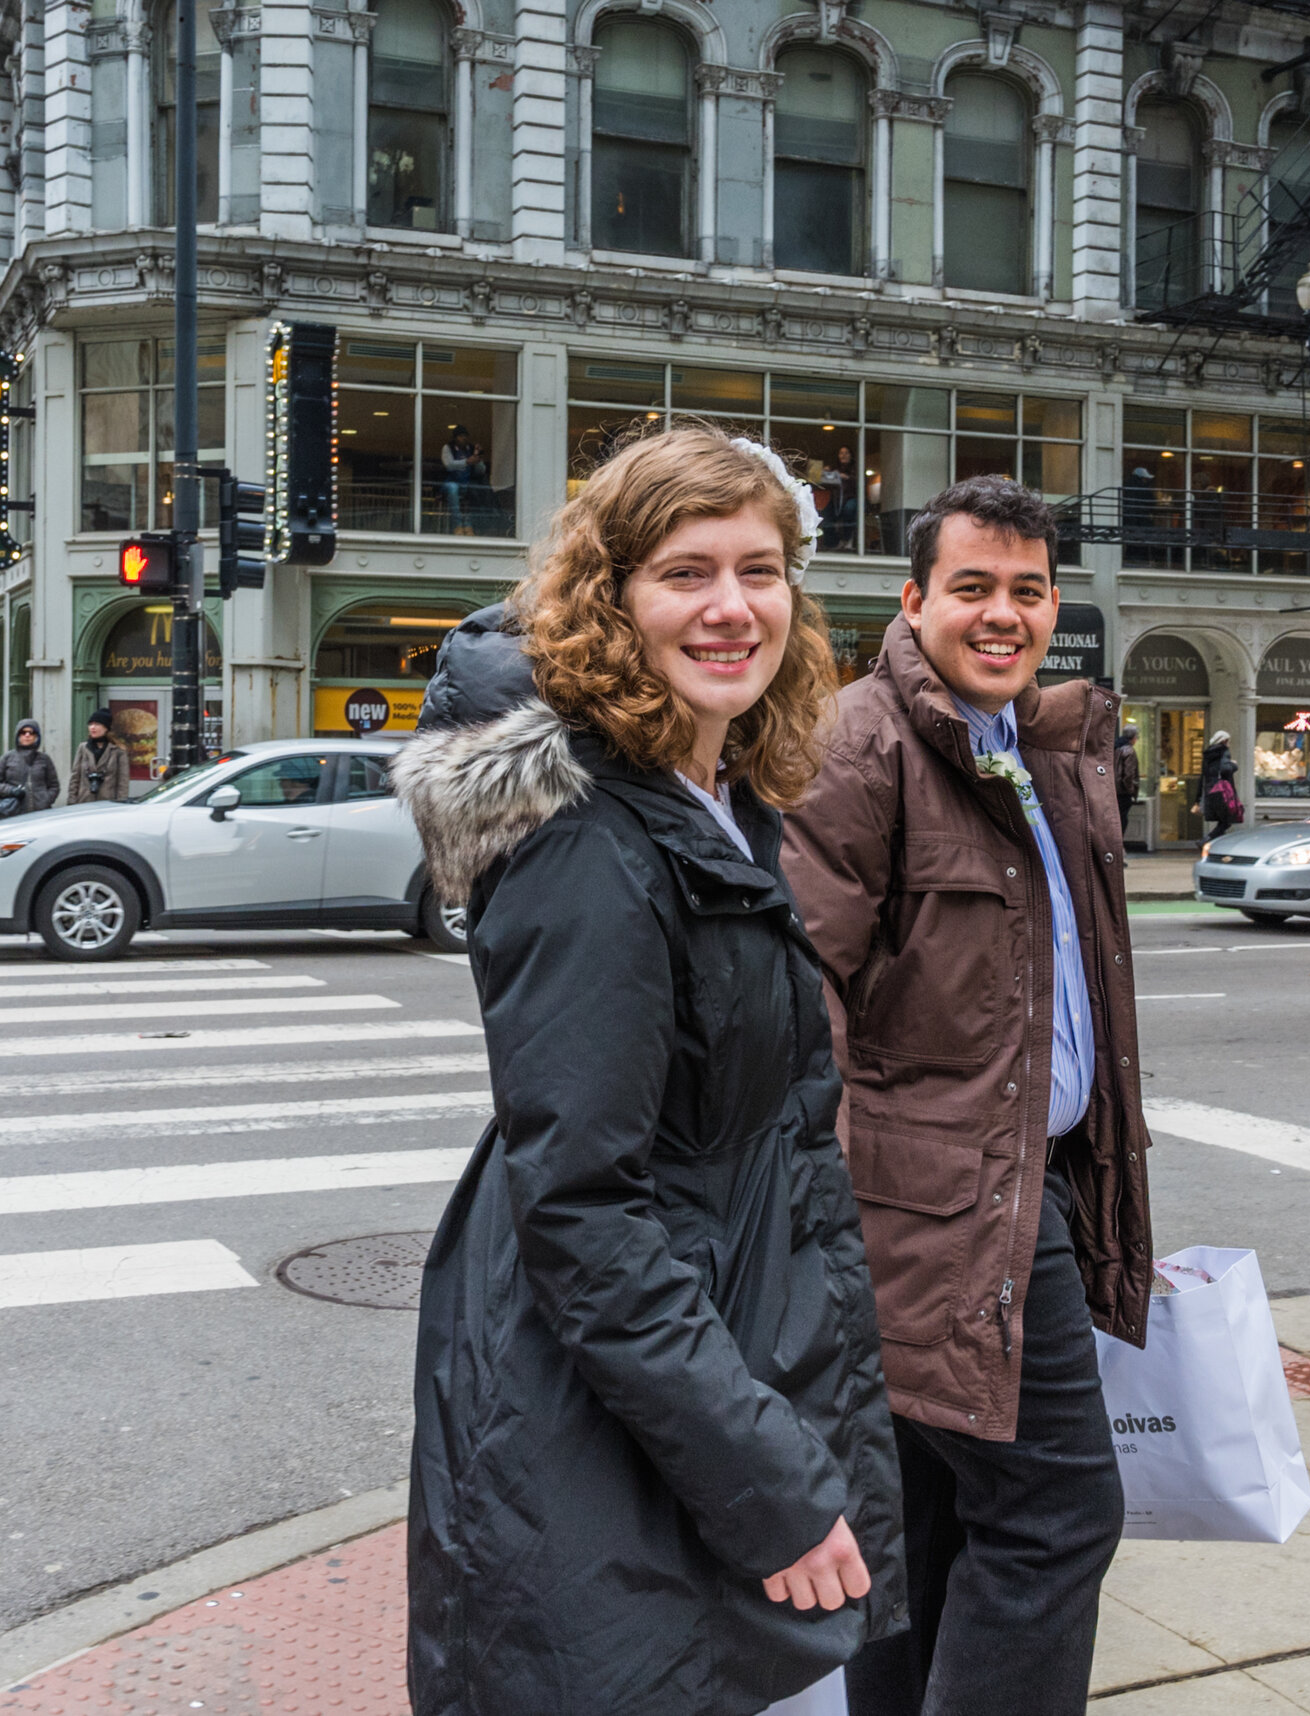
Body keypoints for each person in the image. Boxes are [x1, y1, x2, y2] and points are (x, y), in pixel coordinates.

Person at [391, 426, 904, 1716]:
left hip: (710, 1380)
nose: (734, 607)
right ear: (611, 601)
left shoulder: (707, 792)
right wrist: (767, 1483)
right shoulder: (590, 834)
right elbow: (584, 1209)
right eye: (687, 573)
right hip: (617, 1444)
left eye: (762, 567)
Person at [782, 474, 1153, 1716]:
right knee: (1059, 1513)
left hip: (1009, 1183)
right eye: (973, 589)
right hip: (937, 1208)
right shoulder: (864, 743)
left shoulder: (1037, 749)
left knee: (929, 1520)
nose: (1003, 615)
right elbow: (798, 1004)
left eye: (1028, 591)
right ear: (914, 599)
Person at [0, 720, 60, 818]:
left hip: (40, 814)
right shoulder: (7, 757)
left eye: (31, 733)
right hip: (14, 813)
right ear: (18, 736)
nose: (27, 735)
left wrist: (45, 800)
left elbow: (54, 785)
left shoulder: (44, 759)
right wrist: (11, 790)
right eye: (23, 732)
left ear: (36, 736)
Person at [69, 711, 132, 805]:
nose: (92, 727)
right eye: (90, 724)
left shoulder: (118, 750)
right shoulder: (83, 748)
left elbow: (123, 782)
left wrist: (120, 803)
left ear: (106, 728)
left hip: (108, 803)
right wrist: (71, 802)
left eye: (97, 724)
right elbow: (75, 777)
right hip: (84, 802)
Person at [438, 425, 490, 535]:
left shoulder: (470, 449)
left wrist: (478, 458)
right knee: (453, 488)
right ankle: (457, 525)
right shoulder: (448, 448)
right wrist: (466, 462)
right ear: (455, 437)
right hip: (450, 481)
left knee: (475, 489)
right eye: (461, 436)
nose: (464, 439)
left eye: (465, 436)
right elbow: (448, 465)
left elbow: (481, 471)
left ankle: (468, 525)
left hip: (467, 483)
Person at [1200, 728, 1240, 849]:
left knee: (1223, 820)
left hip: (1212, 791)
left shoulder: (1209, 753)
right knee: (1227, 820)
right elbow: (1226, 769)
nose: (1229, 744)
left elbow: (1204, 774)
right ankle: (1207, 840)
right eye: (1228, 741)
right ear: (1224, 741)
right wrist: (1234, 765)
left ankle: (1216, 845)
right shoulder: (1224, 751)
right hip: (1223, 792)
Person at [1114, 722, 1141, 843]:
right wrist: (1131, 790)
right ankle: (1119, 849)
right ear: (1134, 737)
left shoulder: (1114, 748)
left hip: (1112, 791)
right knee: (1122, 821)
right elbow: (1128, 774)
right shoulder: (1129, 751)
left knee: (1115, 821)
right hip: (1123, 793)